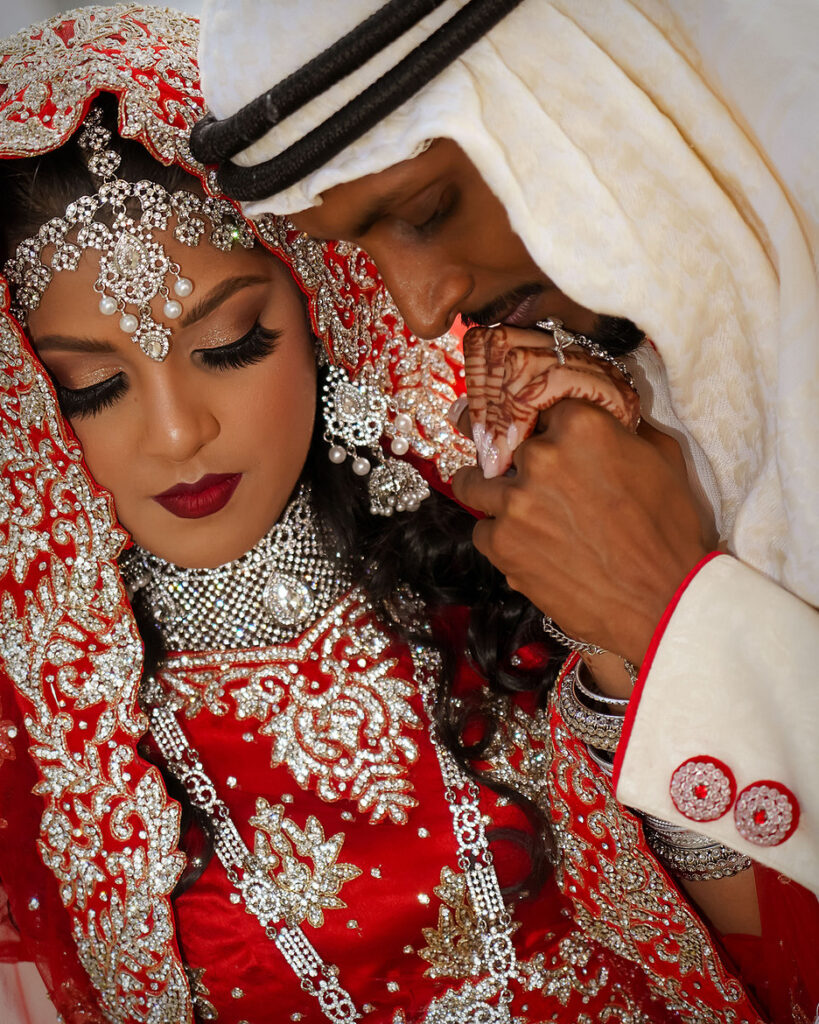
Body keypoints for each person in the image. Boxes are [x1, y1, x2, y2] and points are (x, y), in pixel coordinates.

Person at [4, 6, 819, 1024]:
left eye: (231, 344)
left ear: (323, 305)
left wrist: (649, 630)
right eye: (90, 388)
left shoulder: (501, 558)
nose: (176, 435)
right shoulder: (61, 753)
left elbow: (763, 947)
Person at [193, 0, 819, 895]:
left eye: (427, 208)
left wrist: (663, 606)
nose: (421, 308)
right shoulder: (650, 391)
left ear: (589, 79)